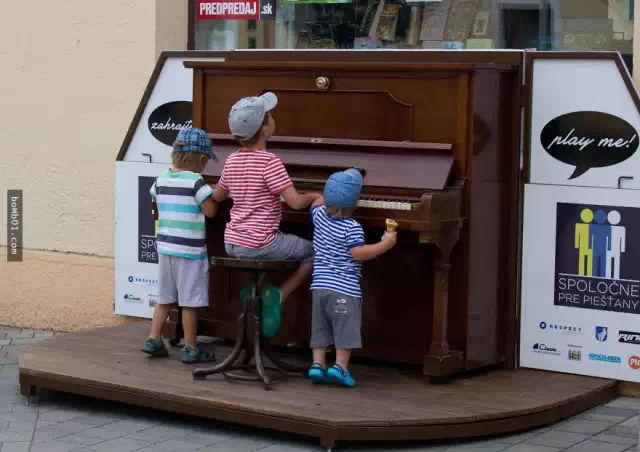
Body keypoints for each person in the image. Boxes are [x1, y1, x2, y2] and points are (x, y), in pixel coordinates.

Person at [212, 92, 320, 338]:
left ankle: (255, 298)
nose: (273, 118)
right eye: (269, 116)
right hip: (259, 244)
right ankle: (277, 297)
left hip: (232, 243)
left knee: (271, 247)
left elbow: (218, 196)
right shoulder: (270, 162)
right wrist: (314, 196)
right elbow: (295, 202)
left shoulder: (231, 161)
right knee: (314, 250)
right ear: (264, 128)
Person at [308, 169, 397, 387]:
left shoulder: (319, 216)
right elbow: (358, 253)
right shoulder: (353, 227)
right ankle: (340, 368)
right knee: (343, 330)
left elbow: (315, 204)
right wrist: (386, 243)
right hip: (344, 291)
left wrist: (324, 194)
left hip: (319, 288)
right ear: (354, 203)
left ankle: (317, 365)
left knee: (320, 329)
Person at [142, 127, 218, 363]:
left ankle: (154, 339)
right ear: (203, 159)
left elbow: (155, 202)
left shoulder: (161, 178)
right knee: (189, 302)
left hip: (165, 247)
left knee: (164, 297)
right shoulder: (196, 181)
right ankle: (191, 347)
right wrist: (213, 195)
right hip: (190, 252)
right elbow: (211, 212)